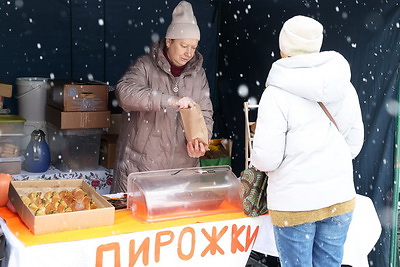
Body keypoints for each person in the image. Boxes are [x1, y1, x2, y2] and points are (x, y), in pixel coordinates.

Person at [251, 15, 364, 267]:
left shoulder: (276, 94)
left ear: (283, 48)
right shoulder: (344, 86)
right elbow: (354, 144)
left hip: (294, 204)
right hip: (338, 198)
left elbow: (266, 158)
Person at [111, 1, 214, 193]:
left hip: (182, 172)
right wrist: (170, 101)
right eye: (184, 45)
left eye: (194, 47)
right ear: (169, 41)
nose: (189, 53)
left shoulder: (198, 74)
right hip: (142, 169)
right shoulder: (145, 66)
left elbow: (205, 112)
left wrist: (201, 141)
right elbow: (124, 93)